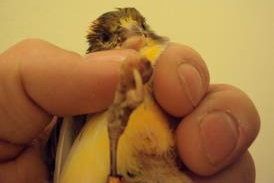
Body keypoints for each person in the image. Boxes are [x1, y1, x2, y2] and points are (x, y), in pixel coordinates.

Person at [0, 39, 260, 183]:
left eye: (140, 28)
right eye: (113, 36)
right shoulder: (96, 96)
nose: (133, 39)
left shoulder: (155, 76)